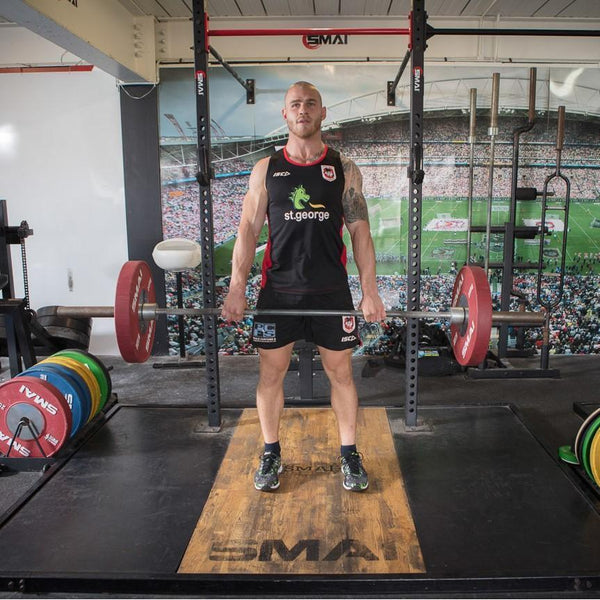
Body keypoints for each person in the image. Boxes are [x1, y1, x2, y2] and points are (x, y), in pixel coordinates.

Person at [221, 81, 386, 492]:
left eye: (310, 103)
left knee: (342, 375)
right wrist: (236, 287)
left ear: (322, 112)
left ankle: (349, 455)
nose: (303, 110)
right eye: (295, 104)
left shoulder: (344, 169)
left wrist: (370, 290)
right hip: (279, 293)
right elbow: (247, 230)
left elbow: (360, 233)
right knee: (271, 375)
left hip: (331, 292)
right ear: (285, 114)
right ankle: (271, 451)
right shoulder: (267, 169)